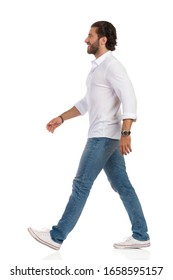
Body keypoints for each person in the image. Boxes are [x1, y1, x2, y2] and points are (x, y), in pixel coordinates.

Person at [28, 21, 150, 250]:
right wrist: (61, 118)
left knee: (81, 184)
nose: (86, 39)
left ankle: (57, 236)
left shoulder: (113, 66)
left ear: (103, 39)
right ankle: (141, 235)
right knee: (123, 186)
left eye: (90, 35)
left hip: (103, 136)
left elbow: (130, 98)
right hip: (107, 137)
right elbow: (87, 102)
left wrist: (126, 133)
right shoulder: (97, 68)